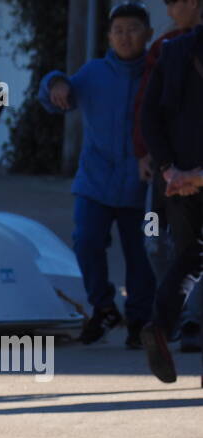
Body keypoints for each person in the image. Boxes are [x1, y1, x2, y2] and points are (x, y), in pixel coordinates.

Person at [40, 3, 155, 348]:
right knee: (86, 241)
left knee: (142, 253)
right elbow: (54, 97)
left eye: (133, 29)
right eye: (117, 30)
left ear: (148, 34)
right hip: (95, 181)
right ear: (108, 36)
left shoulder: (157, 72)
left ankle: (139, 319)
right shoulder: (94, 73)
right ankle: (103, 307)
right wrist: (55, 82)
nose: (125, 37)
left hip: (143, 186)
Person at [135, 0, 202, 354]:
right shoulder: (167, 49)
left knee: (188, 255)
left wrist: (170, 168)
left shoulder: (171, 51)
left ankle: (161, 324)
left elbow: (148, 117)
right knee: (158, 241)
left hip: (175, 181)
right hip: (176, 181)